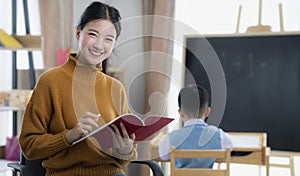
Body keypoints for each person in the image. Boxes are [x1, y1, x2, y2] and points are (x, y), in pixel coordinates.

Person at [19, 2, 137, 176]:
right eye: (93, 34)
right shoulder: (50, 81)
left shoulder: (115, 88)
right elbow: (29, 146)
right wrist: (70, 136)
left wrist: (126, 149)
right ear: (78, 32)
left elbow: (126, 156)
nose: (99, 45)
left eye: (108, 39)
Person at [158, 84, 233, 168]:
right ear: (207, 111)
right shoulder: (218, 135)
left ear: (181, 113)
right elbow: (230, 146)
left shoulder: (171, 138)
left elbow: (163, 156)